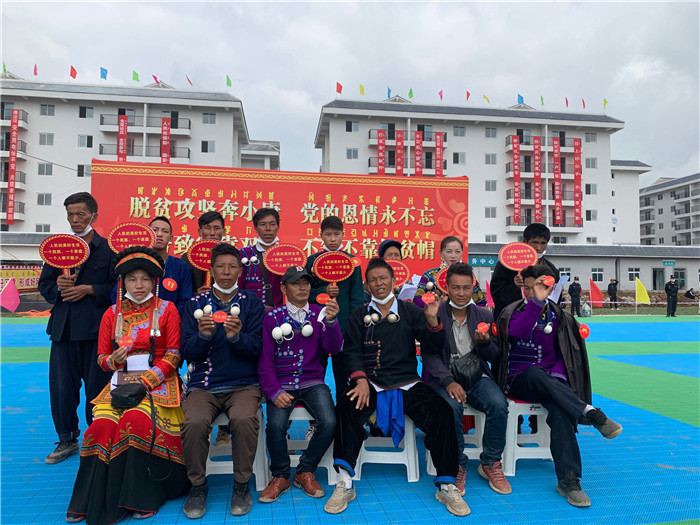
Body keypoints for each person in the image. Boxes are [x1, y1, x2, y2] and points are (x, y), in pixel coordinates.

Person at [324, 258, 470, 517]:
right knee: (346, 407)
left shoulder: (410, 310)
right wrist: (359, 379)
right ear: (367, 286)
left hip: (407, 382)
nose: (379, 283)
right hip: (370, 382)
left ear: (393, 281)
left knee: (442, 411)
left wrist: (433, 321)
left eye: (383, 278)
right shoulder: (359, 315)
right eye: (373, 280)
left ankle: (446, 484)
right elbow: (352, 352)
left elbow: (433, 347)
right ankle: (345, 481)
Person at [66, 247, 188, 524]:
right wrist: (114, 360)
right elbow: (101, 359)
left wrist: (146, 382)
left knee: (136, 420)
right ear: (123, 282)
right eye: (132, 279)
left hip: (158, 382)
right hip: (120, 383)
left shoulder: (167, 310)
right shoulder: (111, 314)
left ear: (154, 281)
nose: (139, 285)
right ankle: (90, 499)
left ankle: (140, 496)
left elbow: (174, 355)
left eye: (145, 279)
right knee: (100, 427)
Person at [494, 264, 623, 508]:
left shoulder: (561, 317)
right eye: (528, 288)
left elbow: (565, 357)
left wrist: (558, 379)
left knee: (561, 411)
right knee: (535, 372)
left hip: (552, 384)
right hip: (520, 380)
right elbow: (518, 332)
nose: (532, 292)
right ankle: (589, 411)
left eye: (538, 287)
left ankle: (569, 481)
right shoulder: (513, 312)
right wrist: (536, 302)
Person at [180, 243, 265, 518]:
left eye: (232, 267)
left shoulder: (252, 303)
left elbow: (258, 348)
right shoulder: (194, 305)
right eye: (220, 266)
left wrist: (237, 338)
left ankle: (241, 485)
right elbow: (187, 351)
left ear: (241, 271)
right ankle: (197, 486)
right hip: (204, 385)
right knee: (193, 423)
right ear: (211, 269)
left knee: (244, 419)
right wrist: (202, 337)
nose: (226, 272)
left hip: (243, 384)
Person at [38, 192, 116, 464]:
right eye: (70, 214)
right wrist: (58, 288)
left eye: (80, 214)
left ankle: (98, 439)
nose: (74, 219)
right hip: (64, 330)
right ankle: (67, 439)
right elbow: (45, 285)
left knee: (98, 388)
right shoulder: (58, 249)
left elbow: (116, 288)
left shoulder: (108, 250)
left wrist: (90, 289)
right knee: (62, 389)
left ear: (94, 215)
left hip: (96, 332)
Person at [422, 263, 511, 496]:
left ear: (473, 288)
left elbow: (495, 355)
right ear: (446, 287)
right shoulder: (435, 313)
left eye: (466, 287)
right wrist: (448, 381)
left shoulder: (484, 316)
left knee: (498, 403)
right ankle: (457, 463)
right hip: (445, 379)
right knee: (450, 407)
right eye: (456, 287)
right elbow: (429, 355)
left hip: (477, 377)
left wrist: (484, 344)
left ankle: (490, 462)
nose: (461, 293)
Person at [257, 266, 342, 503]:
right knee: (275, 426)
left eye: (306, 283)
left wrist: (332, 322)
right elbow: (265, 361)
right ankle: (281, 475)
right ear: (284, 288)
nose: (303, 287)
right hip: (282, 383)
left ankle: (305, 470)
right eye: (296, 283)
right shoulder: (272, 317)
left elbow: (334, 348)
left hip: (313, 382)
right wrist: (274, 392)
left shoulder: (320, 313)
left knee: (330, 421)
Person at [306, 216, 364, 400]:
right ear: (321, 235)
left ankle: (343, 414)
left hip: (344, 327)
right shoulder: (312, 261)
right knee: (315, 375)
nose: (332, 239)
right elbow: (304, 293)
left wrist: (354, 326)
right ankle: (317, 413)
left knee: (343, 376)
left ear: (343, 235)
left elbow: (357, 297)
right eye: (328, 234)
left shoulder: (352, 262)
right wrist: (323, 291)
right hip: (318, 326)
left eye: (336, 234)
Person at [490, 222, 560, 321]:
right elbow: (496, 293)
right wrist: (515, 287)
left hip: (542, 322)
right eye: (534, 242)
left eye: (543, 243)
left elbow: (556, 299)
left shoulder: (552, 269)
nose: (538, 247)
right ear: (525, 241)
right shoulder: (507, 264)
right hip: (512, 319)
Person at [237, 207, 284, 310]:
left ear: (278, 227)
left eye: (272, 224)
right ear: (255, 228)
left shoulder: (287, 255)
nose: (268, 228)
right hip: (252, 314)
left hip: (281, 314)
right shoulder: (243, 254)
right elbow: (238, 288)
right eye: (263, 224)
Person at [149, 216, 193, 311]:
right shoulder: (137, 263)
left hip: (172, 318)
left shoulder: (180, 266)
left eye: (164, 231)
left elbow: (185, 301)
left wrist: (170, 317)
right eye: (155, 230)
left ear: (171, 238)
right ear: (148, 234)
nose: (159, 234)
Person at [182, 211, 225, 296]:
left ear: (223, 232)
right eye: (207, 228)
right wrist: (196, 295)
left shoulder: (231, 257)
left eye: (216, 228)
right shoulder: (188, 257)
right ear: (200, 232)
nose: (212, 233)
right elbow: (182, 290)